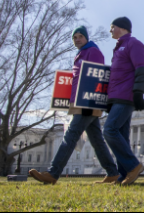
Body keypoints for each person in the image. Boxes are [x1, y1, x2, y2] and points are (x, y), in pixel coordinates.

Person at [29, 26, 119, 185]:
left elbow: (97, 76)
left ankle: (53, 172)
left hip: (87, 101)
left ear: (86, 38)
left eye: (80, 36)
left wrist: (90, 101)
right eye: (74, 37)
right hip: (78, 100)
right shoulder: (80, 54)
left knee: (70, 135)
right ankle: (112, 173)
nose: (77, 39)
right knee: (96, 139)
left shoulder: (93, 51)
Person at [103, 17, 144, 186]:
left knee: (109, 130)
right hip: (117, 96)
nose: (110, 30)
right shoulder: (118, 48)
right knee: (121, 135)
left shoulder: (133, 44)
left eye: (112, 27)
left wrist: (138, 92)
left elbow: (141, 68)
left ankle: (133, 166)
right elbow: (116, 77)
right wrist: (109, 100)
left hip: (126, 96)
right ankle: (123, 175)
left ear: (121, 28)